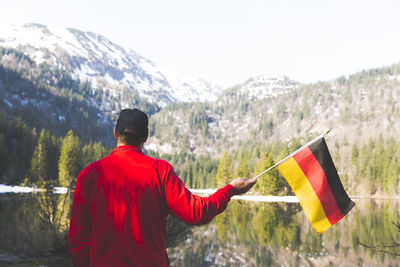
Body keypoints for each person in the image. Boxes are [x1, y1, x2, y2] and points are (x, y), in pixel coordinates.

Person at [68, 108, 257, 266]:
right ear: (146, 137)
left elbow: (78, 244)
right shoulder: (159, 171)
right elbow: (196, 212)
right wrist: (230, 190)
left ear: (115, 133)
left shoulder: (88, 176)